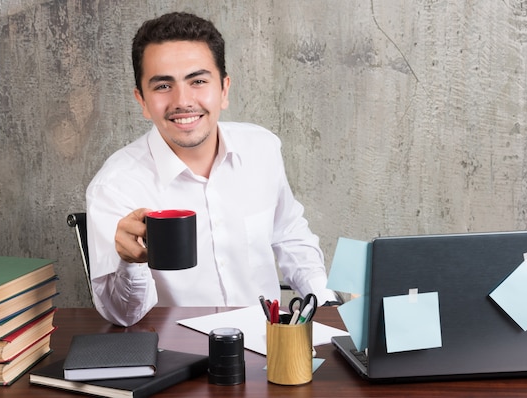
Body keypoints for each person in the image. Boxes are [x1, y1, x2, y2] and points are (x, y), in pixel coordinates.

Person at [86, 12, 338, 327]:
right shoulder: (114, 186)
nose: (182, 100)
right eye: (163, 85)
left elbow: (289, 233)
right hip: (176, 357)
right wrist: (130, 264)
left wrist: (324, 300)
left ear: (224, 90)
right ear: (142, 101)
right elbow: (123, 317)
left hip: (270, 343)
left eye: (198, 81)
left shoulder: (262, 148)